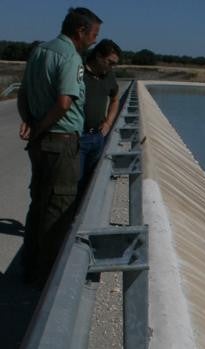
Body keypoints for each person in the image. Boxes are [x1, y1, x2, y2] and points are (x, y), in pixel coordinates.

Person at [17, 7, 102, 287]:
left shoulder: (40, 51)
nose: (93, 41)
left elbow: (22, 94)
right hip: (61, 141)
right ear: (80, 31)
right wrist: (41, 127)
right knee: (59, 210)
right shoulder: (70, 57)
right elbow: (65, 103)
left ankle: (29, 269)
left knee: (39, 204)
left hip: (42, 143)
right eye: (93, 35)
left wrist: (30, 122)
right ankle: (47, 281)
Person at [79, 39, 121, 193]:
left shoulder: (108, 76)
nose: (111, 67)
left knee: (90, 183)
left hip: (97, 137)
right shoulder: (79, 72)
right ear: (98, 56)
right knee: (75, 183)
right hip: (78, 138)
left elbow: (115, 99)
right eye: (109, 62)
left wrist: (108, 123)